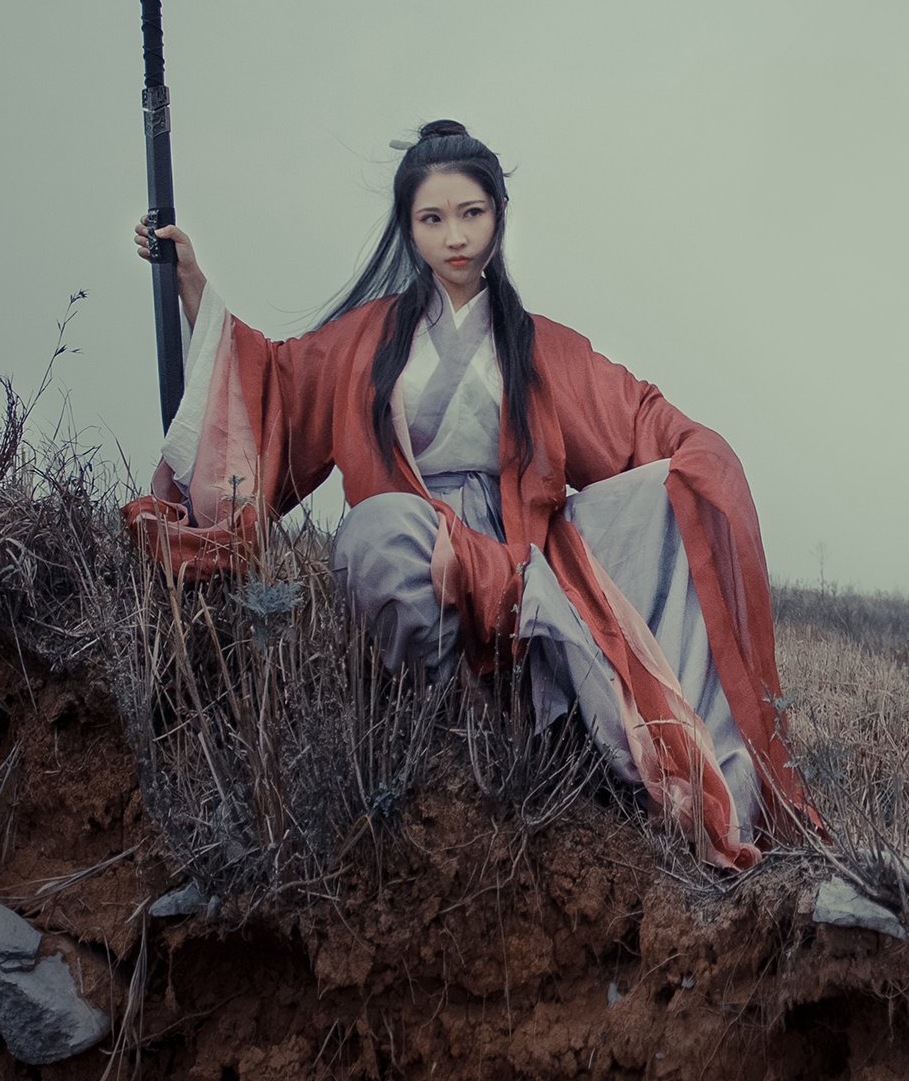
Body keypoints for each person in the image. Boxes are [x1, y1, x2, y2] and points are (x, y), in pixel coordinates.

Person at [123, 119, 809, 868]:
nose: (455, 236)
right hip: (421, 538)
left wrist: (703, 459)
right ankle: (446, 739)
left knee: (664, 499)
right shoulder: (370, 337)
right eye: (433, 218)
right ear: (408, 228)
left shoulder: (540, 344)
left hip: (524, 558)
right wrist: (192, 283)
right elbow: (278, 385)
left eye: (471, 213)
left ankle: (624, 758)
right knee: (376, 538)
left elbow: (638, 417)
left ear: (497, 218)